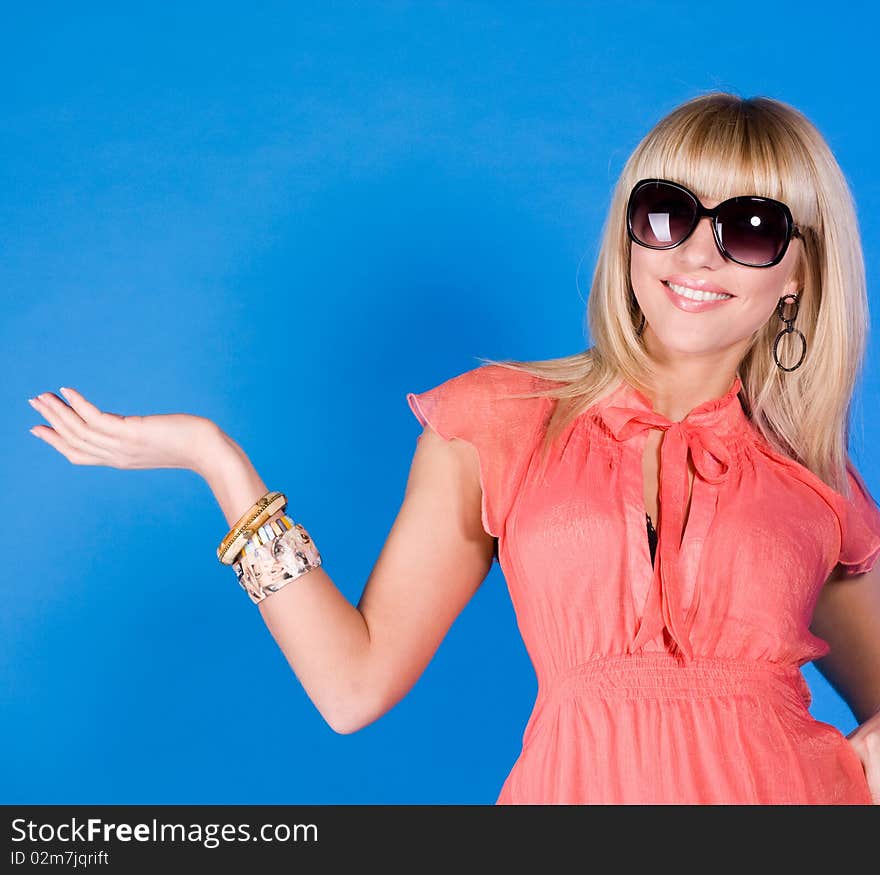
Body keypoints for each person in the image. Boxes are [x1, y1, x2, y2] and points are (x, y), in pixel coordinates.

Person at [27, 92, 880, 804]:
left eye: (753, 227)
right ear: (630, 232)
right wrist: (217, 461)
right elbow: (351, 687)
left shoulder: (814, 474)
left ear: (799, 273)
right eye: (668, 213)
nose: (698, 251)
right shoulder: (499, 419)